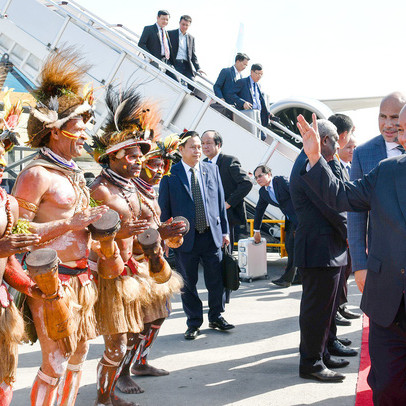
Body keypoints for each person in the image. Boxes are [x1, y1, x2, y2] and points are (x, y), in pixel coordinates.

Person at [11, 48, 108, 405]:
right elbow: (15, 235)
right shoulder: (36, 174)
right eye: (78, 129)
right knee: (54, 363)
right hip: (52, 282)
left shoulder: (77, 174)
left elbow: (89, 216)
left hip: (84, 280)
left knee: (78, 359)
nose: (84, 135)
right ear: (54, 132)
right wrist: (69, 222)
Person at [298, 108, 406, 404]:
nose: (401, 137)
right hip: (389, 305)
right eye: (401, 130)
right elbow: (341, 195)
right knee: (386, 387)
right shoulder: (387, 170)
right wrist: (315, 158)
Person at [90, 86, 161, 405]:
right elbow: (85, 237)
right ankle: (104, 398)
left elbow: (147, 223)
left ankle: (115, 385)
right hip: (109, 276)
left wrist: (166, 229)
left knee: (135, 334)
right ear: (114, 155)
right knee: (116, 344)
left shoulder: (131, 187)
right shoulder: (100, 190)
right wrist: (118, 235)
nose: (139, 161)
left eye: (140, 155)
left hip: (135, 273)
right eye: (133, 155)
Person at [290, 120, 351, 383]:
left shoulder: (320, 162)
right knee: (316, 312)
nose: (340, 145)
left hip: (328, 249)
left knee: (326, 310)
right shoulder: (307, 166)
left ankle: (323, 352)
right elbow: (334, 207)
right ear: (323, 140)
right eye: (335, 140)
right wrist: (356, 237)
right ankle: (311, 363)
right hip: (318, 250)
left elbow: (343, 187)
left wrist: (333, 157)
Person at [158, 131, 233, 340]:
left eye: (200, 146)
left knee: (216, 280)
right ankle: (194, 322)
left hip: (212, 236)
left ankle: (216, 316)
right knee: (188, 283)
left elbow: (220, 203)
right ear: (181, 150)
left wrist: (225, 231)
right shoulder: (170, 175)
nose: (198, 150)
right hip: (185, 239)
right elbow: (165, 209)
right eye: (193, 147)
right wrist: (165, 236)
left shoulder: (212, 169)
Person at [126, 134, 184, 379]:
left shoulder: (148, 191)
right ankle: (120, 375)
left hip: (154, 263)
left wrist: (168, 234)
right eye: (154, 164)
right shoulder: (130, 192)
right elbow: (125, 237)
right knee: (136, 324)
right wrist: (159, 233)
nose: (160, 170)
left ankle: (140, 361)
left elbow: (153, 227)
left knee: (159, 315)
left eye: (164, 165)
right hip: (135, 267)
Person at [0, 93, 44, 406]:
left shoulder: (8, 203)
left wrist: (31, 287)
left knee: (4, 382)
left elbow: (10, 261)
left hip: (1, 308)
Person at [348, 92, 406, 296]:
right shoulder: (363, 154)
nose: (388, 124)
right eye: (383, 116)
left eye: (394, 117)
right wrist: (359, 265)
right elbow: (355, 215)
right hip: (382, 264)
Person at [328, 114, 360, 325]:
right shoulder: (327, 164)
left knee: (345, 272)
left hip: (344, 231)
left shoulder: (341, 165)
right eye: (349, 146)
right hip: (336, 233)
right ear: (342, 137)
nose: (352, 151)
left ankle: (340, 306)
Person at [252, 165, 298, 288]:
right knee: (289, 247)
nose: (258, 179)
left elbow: (298, 195)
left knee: (294, 248)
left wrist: (302, 221)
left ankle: (287, 279)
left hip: (301, 217)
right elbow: (259, 210)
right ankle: (299, 277)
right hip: (290, 220)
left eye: (260, 175)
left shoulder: (281, 181)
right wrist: (256, 230)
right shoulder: (263, 192)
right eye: (256, 178)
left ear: (269, 174)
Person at [230, 63, 269, 140]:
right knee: (254, 137)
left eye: (261, 74)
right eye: (257, 73)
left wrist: (268, 113)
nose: (259, 76)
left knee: (263, 136)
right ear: (251, 72)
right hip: (247, 114)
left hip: (258, 115)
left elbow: (260, 102)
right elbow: (231, 94)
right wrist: (243, 103)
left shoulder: (258, 86)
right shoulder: (242, 82)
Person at [138, 10, 178, 81]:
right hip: (155, 60)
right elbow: (141, 44)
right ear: (157, 18)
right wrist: (149, 57)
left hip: (167, 62)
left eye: (167, 20)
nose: (165, 21)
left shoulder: (166, 32)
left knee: (176, 81)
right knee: (159, 80)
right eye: (163, 19)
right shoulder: (148, 29)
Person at [168, 15, 204, 89]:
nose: (184, 27)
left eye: (186, 25)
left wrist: (198, 68)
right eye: (183, 24)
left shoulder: (191, 38)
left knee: (193, 85)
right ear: (179, 23)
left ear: (189, 25)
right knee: (176, 83)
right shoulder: (170, 34)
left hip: (186, 65)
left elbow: (193, 55)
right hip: (175, 63)